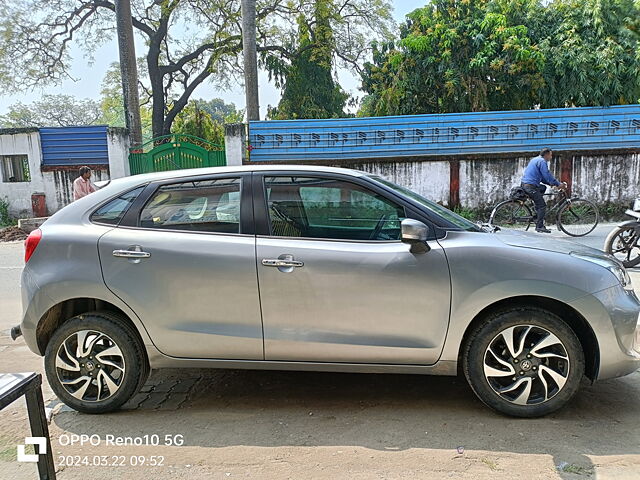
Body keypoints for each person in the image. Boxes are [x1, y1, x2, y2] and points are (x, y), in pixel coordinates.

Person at [521, 148, 567, 233]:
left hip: (526, 184)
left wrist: (551, 184)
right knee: (542, 206)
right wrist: (558, 184)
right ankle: (539, 226)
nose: (551, 157)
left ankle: (537, 212)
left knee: (543, 188)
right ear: (546, 155)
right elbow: (547, 175)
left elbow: (542, 178)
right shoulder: (542, 162)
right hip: (530, 187)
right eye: (550, 155)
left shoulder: (535, 159)